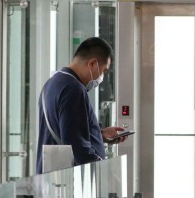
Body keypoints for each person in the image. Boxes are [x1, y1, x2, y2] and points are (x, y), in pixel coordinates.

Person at [36, 37, 128, 174]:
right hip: (66, 179)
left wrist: (99, 134)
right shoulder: (73, 89)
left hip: (52, 174)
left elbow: (67, 131)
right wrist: (104, 171)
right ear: (92, 64)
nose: (102, 77)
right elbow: (77, 147)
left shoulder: (54, 83)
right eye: (103, 71)